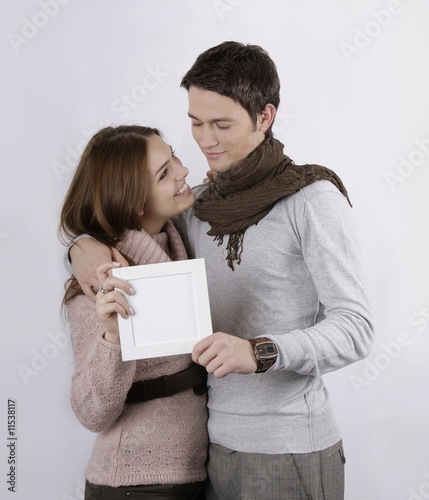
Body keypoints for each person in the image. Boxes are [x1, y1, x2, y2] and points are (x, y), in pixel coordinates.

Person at [68, 42, 374, 500]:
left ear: (265, 117)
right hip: (209, 455)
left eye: (221, 124)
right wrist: (82, 246)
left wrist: (261, 352)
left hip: (286, 449)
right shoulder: (196, 208)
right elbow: (126, 219)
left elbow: (357, 329)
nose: (205, 141)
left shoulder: (312, 200)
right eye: (194, 122)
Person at [59, 125, 208, 500]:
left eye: (172, 155)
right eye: (164, 173)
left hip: (197, 476)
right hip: (135, 484)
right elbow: (90, 413)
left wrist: (81, 243)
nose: (183, 170)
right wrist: (113, 337)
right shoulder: (98, 285)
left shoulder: (181, 241)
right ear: (136, 203)